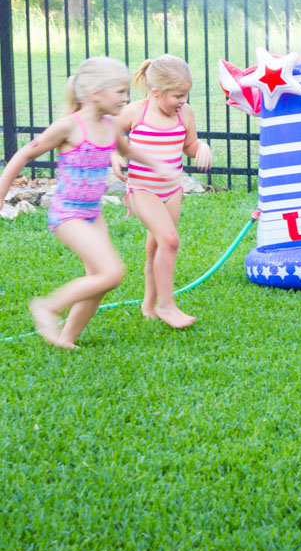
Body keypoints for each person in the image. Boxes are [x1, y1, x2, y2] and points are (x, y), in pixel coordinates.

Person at [0, 57, 175, 349]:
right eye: (119, 91)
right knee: (112, 273)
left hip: (93, 213)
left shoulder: (109, 126)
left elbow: (128, 150)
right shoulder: (69, 127)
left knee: (100, 279)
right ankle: (46, 306)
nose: (125, 97)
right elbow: (23, 155)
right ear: (95, 92)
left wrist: (159, 166)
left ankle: (67, 338)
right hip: (68, 214)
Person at [114, 54, 212, 329]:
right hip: (142, 189)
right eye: (178, 96)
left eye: (186, 95)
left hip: (172, 191)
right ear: (156, 92)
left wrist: (201, 148)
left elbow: (189, 145)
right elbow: (109, 133)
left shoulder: (185, 113)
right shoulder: (136, 112)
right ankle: (166, 305)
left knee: (156, 246)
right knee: (170, 240)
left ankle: (149, 302)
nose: (183, 101)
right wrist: (114, 156)